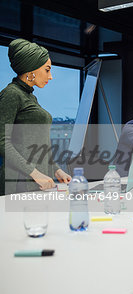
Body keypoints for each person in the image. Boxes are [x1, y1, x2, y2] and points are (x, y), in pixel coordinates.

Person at [0, 38, 71, 195]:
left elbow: (41, 144)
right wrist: (35, 173)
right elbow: (2, 142)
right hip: (19, 182)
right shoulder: (11, 94)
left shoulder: (30, 97)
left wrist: (57, 170)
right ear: (31, 69)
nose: (50, 76)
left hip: (36, 181)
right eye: (47, 70)